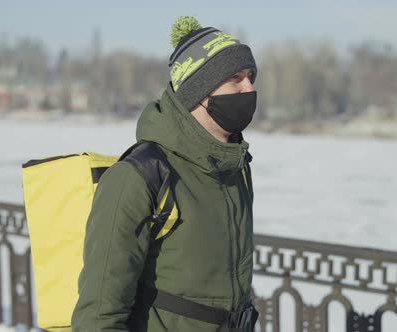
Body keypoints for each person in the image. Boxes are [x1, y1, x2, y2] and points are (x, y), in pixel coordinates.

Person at [71, 16, 258, 331]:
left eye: (251, 77)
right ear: (198, 88)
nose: (249, 88)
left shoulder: (235, 167)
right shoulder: (140, 176)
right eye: (236, 78)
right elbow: (98, 317)